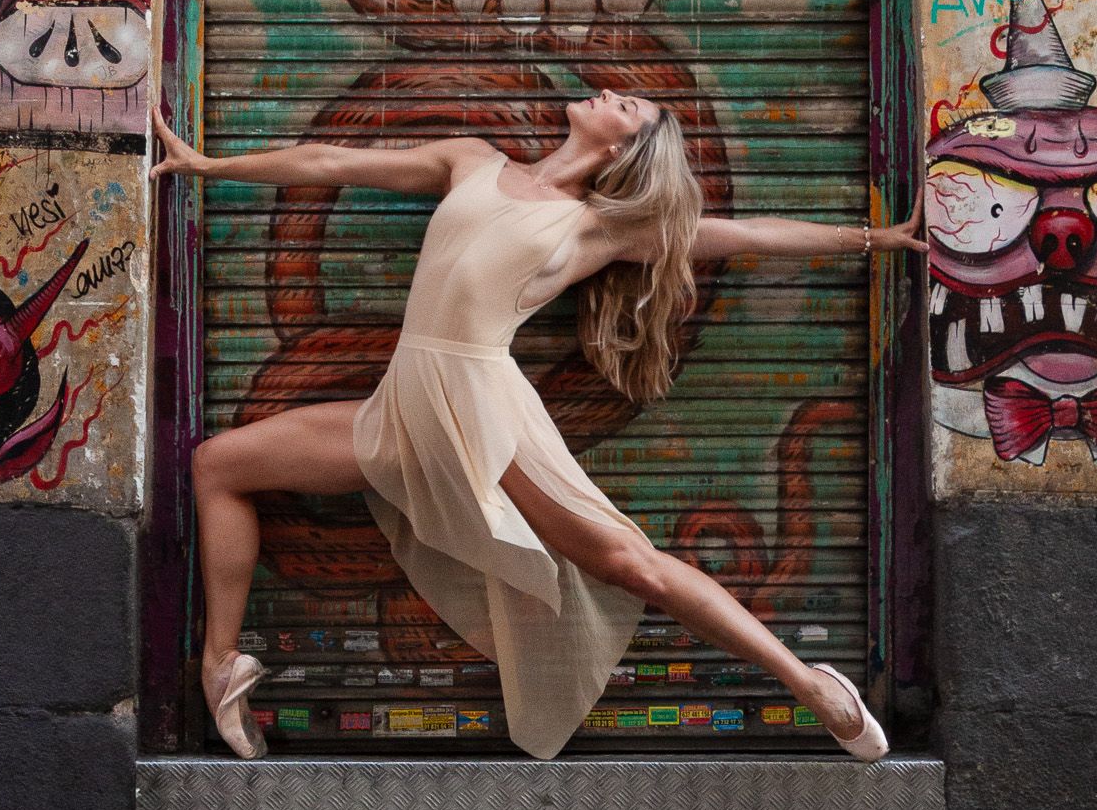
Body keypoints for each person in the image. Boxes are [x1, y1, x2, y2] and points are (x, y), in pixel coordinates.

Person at [149, 90, 927, 763]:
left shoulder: (603, 226)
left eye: (628, 107)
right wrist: (213, 166)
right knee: (220, 465)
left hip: (485, 407)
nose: (610, 95)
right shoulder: (470, 159)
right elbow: (331, 162)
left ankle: (810, 685)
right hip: (406, 404)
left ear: (626, 145)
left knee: (631, 563)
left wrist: (874, 239)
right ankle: (222, 666)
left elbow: (746, 235)